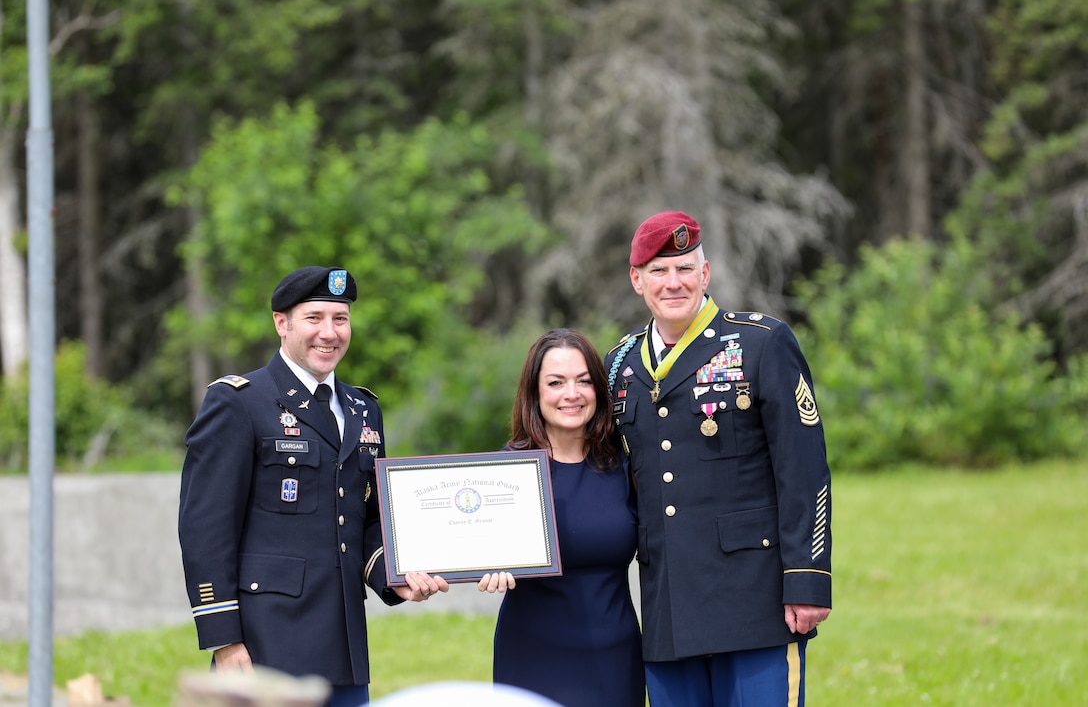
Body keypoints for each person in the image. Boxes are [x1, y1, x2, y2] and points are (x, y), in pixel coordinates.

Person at [178, 266, 449, 707]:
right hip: (266, 648)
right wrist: (223, 639)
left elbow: (367, 518)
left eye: (340, 319)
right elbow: (205, 528)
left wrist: (394, 576)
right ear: (281, 324)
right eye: (314, 318)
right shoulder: (239, 402)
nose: (330, 332)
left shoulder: (363, 411)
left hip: (344, 649)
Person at [604, 212, 833, 706]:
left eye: (685, 269)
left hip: (753, 600)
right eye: (659, 271)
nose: (673, 283)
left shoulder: (760, 343)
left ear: (705, 275)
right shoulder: (618, 365)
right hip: (667, 605)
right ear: (636, 280)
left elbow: (804, 469)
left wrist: (807, 579)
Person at [478, 329, 645, 707]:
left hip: (615, 655)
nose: (572, 394)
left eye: (584, 381)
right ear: (534, 394)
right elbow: (468, 543)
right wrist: (485, 565)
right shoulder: (503, 474)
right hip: (534, 655)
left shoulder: (626, 465)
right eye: (556, 382)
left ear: (599, 390)